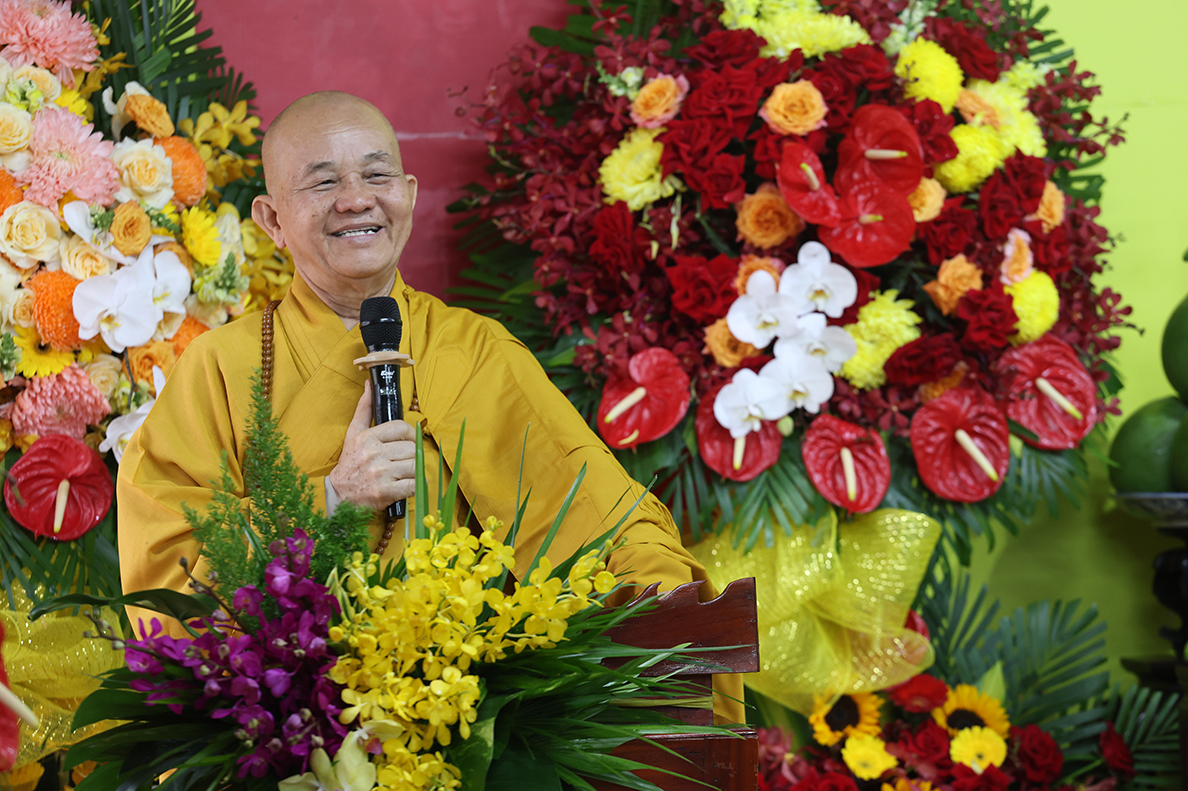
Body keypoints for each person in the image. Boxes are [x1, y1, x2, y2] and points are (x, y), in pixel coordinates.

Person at [116, 91, 742, 719]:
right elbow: (167, 578)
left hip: (471, 718)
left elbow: (598, 519)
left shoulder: (476, 351)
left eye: (377, 175)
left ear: (410, 195)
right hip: (292, 725)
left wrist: (663, 603)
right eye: (324, 181)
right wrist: (332, 499)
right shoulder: (218, 369)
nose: (356, 199)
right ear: (272, 219)